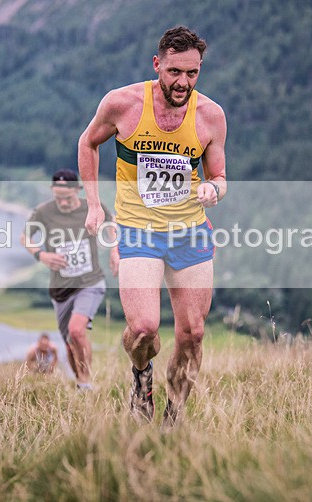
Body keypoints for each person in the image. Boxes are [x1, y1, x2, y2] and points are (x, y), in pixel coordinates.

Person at [78, 26, 227, 426]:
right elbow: (88, 142)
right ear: (157, 64)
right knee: (143, 329)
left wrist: (213, 189)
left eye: (192, 73)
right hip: (138, 230)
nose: (183, 83)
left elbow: (220, 176)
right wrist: (93, 205)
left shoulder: (210, 116)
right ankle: (141, 376)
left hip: (190, 231)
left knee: (192, 334)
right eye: (175, 72)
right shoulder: (123, 104)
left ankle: (172, 418)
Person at [20, 169, 118, 390]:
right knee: (69, 343)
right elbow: (24, 237)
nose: (63, 202)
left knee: (76, 331)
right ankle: (80, 382)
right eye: (58, 198)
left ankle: (85, 382)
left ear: (78, 190)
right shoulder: (44, 212)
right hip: (61, 289)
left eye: (67, 197)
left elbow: (112, 223)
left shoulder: (91, 207)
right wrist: (41, 255)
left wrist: (114, 251)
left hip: (90, 282)